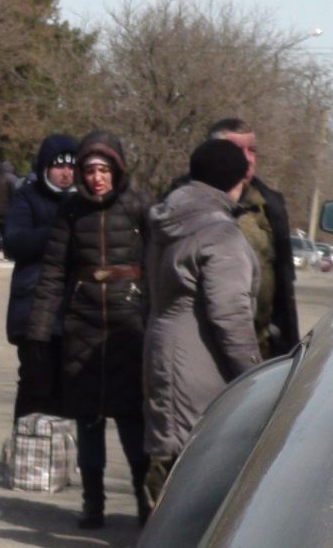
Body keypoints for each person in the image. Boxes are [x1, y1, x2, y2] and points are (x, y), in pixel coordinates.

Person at [24, 131, 151, 530]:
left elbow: (158, 265)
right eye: (90, 170)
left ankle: (146, 503)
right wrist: (39, 331)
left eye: (104, 170)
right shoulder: (71, 211)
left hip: (130, 327)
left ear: (117, 170)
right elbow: (53, 273)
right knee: (89, 419)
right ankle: (92, 503)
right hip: (83, 325)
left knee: (132, 422)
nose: (97, 178)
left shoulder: (139, 207)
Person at [143, 138, 262, 510]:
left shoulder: (172, 217)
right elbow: (230, 316)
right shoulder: (220, 232)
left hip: (163, 347)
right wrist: (255, 376)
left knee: (169, 457)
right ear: (235, 181)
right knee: (193, 473)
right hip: (200, 359)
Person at [188, 117, 300, 359]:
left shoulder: (270, 207)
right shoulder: (183, 205)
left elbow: (283, 287)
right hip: (202, 353)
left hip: (260, 352)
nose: (248, 159)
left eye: (252, 151)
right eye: (238, 151)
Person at [4, 134, 77, 418]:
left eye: (72, 166)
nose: (66, 173)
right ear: (46, 167)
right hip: (33, 307)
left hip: (73, 309)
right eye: (59, 166)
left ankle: (58, 456)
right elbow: (15, 242)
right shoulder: (28, 197)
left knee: (67, 388)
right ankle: (27, 454)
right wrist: (58, 233)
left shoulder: (84, 202)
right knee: (36, 383)